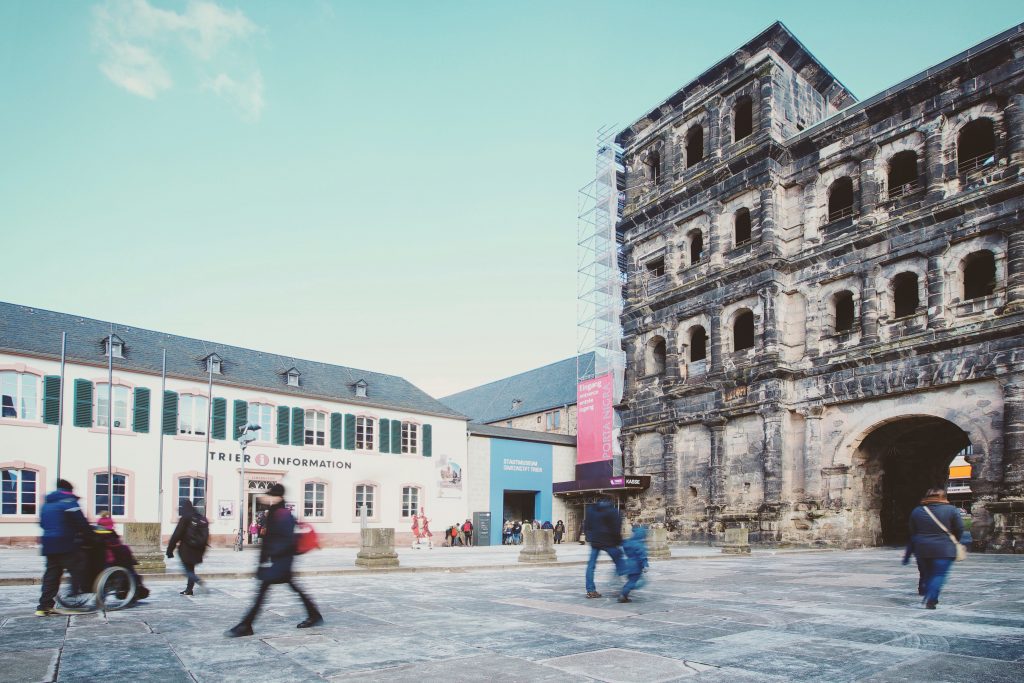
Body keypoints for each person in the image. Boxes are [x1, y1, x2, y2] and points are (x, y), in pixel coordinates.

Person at [227, 484, 322, 637]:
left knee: (262, 592)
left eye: (271, 495)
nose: (268, 498)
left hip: (280, 562)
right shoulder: (276, 512)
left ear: (278, 496)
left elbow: (286, 541)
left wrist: (269, 557)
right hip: (278, 561)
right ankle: (314, 615)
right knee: (291, 589)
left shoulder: (283, 514)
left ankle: (246, 624)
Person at [36, 479, 93, 616]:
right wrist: (91, 537)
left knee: (52, 575)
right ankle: (74, 598)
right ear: (69, 490)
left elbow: (42, 524)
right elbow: (81, 523)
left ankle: (44, 606)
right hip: (66, 542)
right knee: (79, 567)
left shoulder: (46, 504)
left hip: (49, 543)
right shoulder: (69, 502)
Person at [903, 487, 965, 609]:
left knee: (927, 574)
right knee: (939, 574)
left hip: (922, 549)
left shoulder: (917, 511)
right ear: (943, 497)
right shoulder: (951, 510)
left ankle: (927, 591)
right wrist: (954, 541)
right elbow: (959, 528)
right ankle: (931, 598)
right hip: (944, 549)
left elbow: (912, 532)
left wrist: (908, 553)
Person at [95, 513, 150, 604]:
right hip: (114, 562)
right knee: (129, 568)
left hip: (101, 562)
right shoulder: (111, 536)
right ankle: (135, 589)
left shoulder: (96, 535)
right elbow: (118, 551)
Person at [583, 497, 626, 599]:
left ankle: (590, 590)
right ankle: (621, 588)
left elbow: (586, 524)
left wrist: (589, 537)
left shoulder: (591, 509)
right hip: (609, 542)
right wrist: (618, 542)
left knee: (591, 565)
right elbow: (616, 528)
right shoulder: (614, 511)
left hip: (595, 541)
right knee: (619, 562)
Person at [167, 500, 209, 596]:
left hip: (186, 549)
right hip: (198, 549)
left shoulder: (185, 518)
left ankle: (198, 580)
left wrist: (170, 550)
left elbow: (176, 535)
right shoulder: (199, 517)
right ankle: (189, 589)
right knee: (191, 568)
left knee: (187, 570)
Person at [618, 526, 649, 603]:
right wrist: (645, 565)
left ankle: (625, 595)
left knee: (630, 581)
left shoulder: (629, 543)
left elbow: (623, 544)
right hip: (636, 567)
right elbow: (642, 557)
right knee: (632, 582)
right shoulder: (640, 545)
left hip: (628, 564)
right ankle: (623, 594)